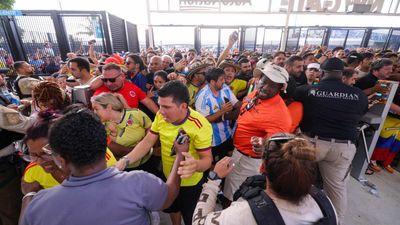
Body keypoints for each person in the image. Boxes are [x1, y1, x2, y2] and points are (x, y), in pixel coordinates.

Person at [21, 109, 186, 225]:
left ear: (61, 159)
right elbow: (169, 196)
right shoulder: (139, 183)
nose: (38, 161)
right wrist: (180, 155)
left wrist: (28, 195)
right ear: (105, 146)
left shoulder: (39, 206)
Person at [115, 81, 213, 225]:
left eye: (166, 107)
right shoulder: (161, 116)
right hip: (168, 178)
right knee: (172, 209)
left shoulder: (200, 125)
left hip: (190, 184)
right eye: (160, 105)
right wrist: (125, 160)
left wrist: (195, 165)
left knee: (191, 218)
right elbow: (147, 142)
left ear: (184, 106)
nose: (160, 111)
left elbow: (207, 160)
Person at [192, 134, 337, 225]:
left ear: (263, 168)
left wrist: (214, 179)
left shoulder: (244, 214)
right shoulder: (324, 203)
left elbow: (198, 221)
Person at [294, 57, 368, 224]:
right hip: (343, 148)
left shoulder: (307, 91)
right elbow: (361, 113)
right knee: (337, 189)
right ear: (342, 74)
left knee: (298, 180)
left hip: (312, 144)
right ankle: (336, 221)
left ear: (322, 73)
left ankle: (294, 217)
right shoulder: (359, 95)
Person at [223, 64, 292, 203]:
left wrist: (264, 147)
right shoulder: (255, 94)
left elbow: (276, 146)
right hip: (238, 152)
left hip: (250, 161)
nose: (265, 87)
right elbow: (244, 109)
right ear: (258, 79)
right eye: (264, 82)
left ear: (280, 89)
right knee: (230, 193)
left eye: (273, 86)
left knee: (237, 199)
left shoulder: (280, 115)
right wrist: (223, 116)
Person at [21, 110, 117, 194]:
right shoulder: (33, 170)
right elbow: (27, 191)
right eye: (33, 154)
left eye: (46, 153)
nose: (40, 161)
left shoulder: (96, 158)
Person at [91, 92, 155, 172]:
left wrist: (146, 143)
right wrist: (142, 150)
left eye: (96, 109)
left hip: (148, 161)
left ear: (109, 107)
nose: (94, 112)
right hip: (125, 168)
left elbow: (150, 127)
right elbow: (117, 150)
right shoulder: (101, 127)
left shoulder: (135, 114)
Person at [195, 68, 241, 163]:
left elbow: (236, 103)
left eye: (224, 78)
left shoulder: (224, 88)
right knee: (214, 165)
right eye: (221, 79)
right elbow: (204, 120)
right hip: (212, 141)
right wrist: (222, 111)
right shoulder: (202, 97)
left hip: (227, 134)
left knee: (226, 161)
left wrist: (247, 104)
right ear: (212, 81)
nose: (224, 81)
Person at [93, 63, 159, 114]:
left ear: (122, 76)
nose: (108, 83)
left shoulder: (132, 87)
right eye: (104, 80)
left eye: (112, 80)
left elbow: (148, 102)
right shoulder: (100, 93)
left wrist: (162, 118)